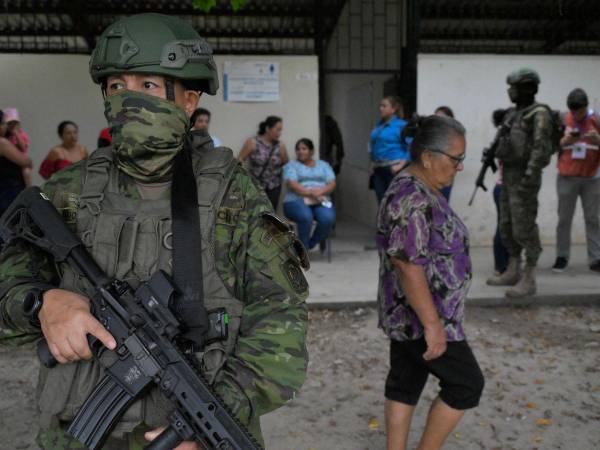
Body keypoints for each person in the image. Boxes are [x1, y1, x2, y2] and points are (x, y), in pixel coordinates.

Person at [0, 13, 309, 450]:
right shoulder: (69, 191)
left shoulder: (231, 195)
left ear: (188, 100)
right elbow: (8, 284)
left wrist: (214, 419)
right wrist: (40, 303)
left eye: (147, 86)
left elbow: (283, 320)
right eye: (116, 87)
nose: (128, 101)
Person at [377, 115, 484, 450]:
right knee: (467, 384)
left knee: (405, 383)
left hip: (407, 314)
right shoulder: (412, 197)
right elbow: (407, 264)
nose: (460, 167)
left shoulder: (415, 187)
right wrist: (433, 325)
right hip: (424, 316)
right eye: (456, 159)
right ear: (428, 157)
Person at [486, 68, 554, 297]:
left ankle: (529, 277)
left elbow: (540, 149)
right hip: (508, 176)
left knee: (524, 226)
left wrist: (529, 177)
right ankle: (513, 269)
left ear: (528, 88)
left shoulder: (538, 114)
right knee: (507, 224)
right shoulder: (512, 114)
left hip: (525, 178)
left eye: (514, 87)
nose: (510, 92)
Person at [553, 88, 600, 273]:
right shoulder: (563, 119)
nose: (576, 115)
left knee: (593, 219)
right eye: (573, 111)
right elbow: (551, 144)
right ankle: (562, 256)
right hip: (567, 176)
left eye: (579, 111)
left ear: (586, 107)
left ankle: (596, 258)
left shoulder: (596, 119)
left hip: (592, 178)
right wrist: (563, 142)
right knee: (564, 219)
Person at [283, 138, 336, 250]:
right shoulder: (291, 165)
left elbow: (332, 183)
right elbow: (292, 184)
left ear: (311, 151)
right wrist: (311, 192)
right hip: (296, 199)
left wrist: (320, 192)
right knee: (306, 216)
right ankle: (303, 249)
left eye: (304, 148)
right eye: (298, 149)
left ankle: (307, 246)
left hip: (320, 198)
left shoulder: (323, 165)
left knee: (328, 218)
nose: (300, 151)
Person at [238, 115, 289, 209]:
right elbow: (240, 160)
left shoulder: (280, 145)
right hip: (254, 185)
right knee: (254, 213)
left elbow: (286, 164)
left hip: (274, 186)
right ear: (268, 128)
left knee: (271, 215)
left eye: (280, 130)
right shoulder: (252, 142)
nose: (279, 133)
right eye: (277, 129)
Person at [369, 96, 409, 203]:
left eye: (384, 106)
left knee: (395, 204)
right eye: (380, 106)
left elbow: (412, 146)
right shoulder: (379, 125)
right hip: (378, 169)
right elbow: (372, 145)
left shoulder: (401, 125)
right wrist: (371, 164)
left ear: (393, 109)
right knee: (382, 204)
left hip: (393, 169)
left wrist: (401, 165)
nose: (380, 108)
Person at [0, 109, 32, 216]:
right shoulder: (2, 142)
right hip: (8, 192)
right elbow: (25, 161)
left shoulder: (11, 137)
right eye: (4, 123)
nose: (6, 126)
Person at [489, 108, 510, 276]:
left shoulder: (504, 137)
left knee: (506, 227)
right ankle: (502, 265)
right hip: (504, 188)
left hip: (504, 188)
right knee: (503, 228)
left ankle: (507, 264)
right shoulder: (505, 138)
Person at [3, 107, 32, 187]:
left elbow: (23, 148)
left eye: (14, 123)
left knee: (26, 172)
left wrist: (16, 134)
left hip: (20, 160)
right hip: (9, 162)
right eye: (9, 123)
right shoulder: (5, 138)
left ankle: (28, 189)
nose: (12, 126)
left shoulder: (21, 134)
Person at [434, 106, 455, 201]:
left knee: (442, 206)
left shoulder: (454, 135)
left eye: (441, 117)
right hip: (430, 177)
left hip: (445, 176)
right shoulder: (431, 134)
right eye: (435, 117)